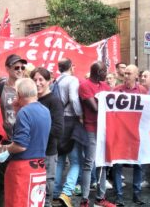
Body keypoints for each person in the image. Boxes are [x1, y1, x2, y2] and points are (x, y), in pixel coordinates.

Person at [0, 78, 51, 207]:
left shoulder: (25, 112)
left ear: (18, 94)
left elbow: (20, 146)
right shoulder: (45, 110)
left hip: (22, 169)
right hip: (39, 167)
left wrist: (2, 148)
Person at [79, 61, 115, 207]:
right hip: (91, 128)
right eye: (104, 71)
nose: (106, 74)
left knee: (103, 163)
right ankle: (84, 200)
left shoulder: (105, 86)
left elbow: (111, 104)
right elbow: (94, 108)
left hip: (104, 128)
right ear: (98, 72)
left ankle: (100, 198)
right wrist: (101, 102)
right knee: (89, 162)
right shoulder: (84, 86)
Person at [50, 58, 85, 207]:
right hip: (70, 121)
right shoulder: (72, 80)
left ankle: (55, 194)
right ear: (71, 66)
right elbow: (74, 99)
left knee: (60, 159)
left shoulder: (55, 82)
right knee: (76, 161)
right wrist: (81, 115)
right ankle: (67, 192)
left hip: (58, 121)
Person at [113, 64, 146, 205]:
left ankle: (136, 194)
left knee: (139, 164)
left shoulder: (143, 91)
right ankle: (119, 195)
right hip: (120, 133)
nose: (125, 76)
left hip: (137, 133)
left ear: (136, 76)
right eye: (125, 73)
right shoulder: (116, 90)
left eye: (129, 73)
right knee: (117, 164)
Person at [30, 67, 64, 207]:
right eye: (34, 80)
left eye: (41, 80)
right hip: (31, 152)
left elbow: (58, 129)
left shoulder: (54, 101)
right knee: (33, 189)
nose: (37, 83)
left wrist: (37, 132)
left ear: (49, 81)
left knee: (46, 188)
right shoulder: (31, 100)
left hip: (48, 151)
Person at [0, 54, 27, 205]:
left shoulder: (27, 87)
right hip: (5, 140)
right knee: (2, 182)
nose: (20, 70)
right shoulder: (1, 87)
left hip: (22, 142)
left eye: (22, 67)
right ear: (7, 68)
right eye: (16, 67)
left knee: (19, 181)